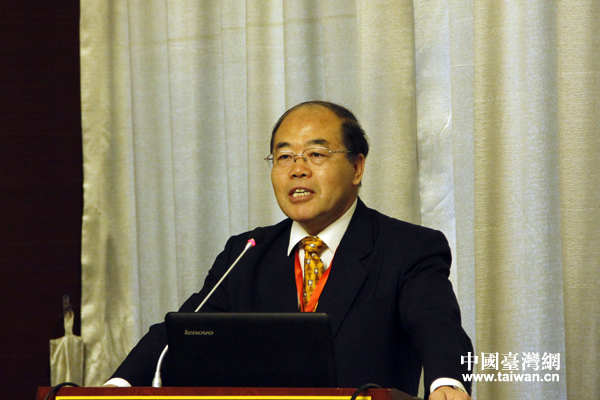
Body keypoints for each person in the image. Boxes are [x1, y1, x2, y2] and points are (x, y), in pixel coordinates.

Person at [106, 101, 473, 399]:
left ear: (357, 167)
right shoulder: (247, 253)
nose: (297, 169)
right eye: (284, 157)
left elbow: (437, 325)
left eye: (316, 154)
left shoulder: (406, 248)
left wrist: (448, 381)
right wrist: (117, 387)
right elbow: (181, 334)